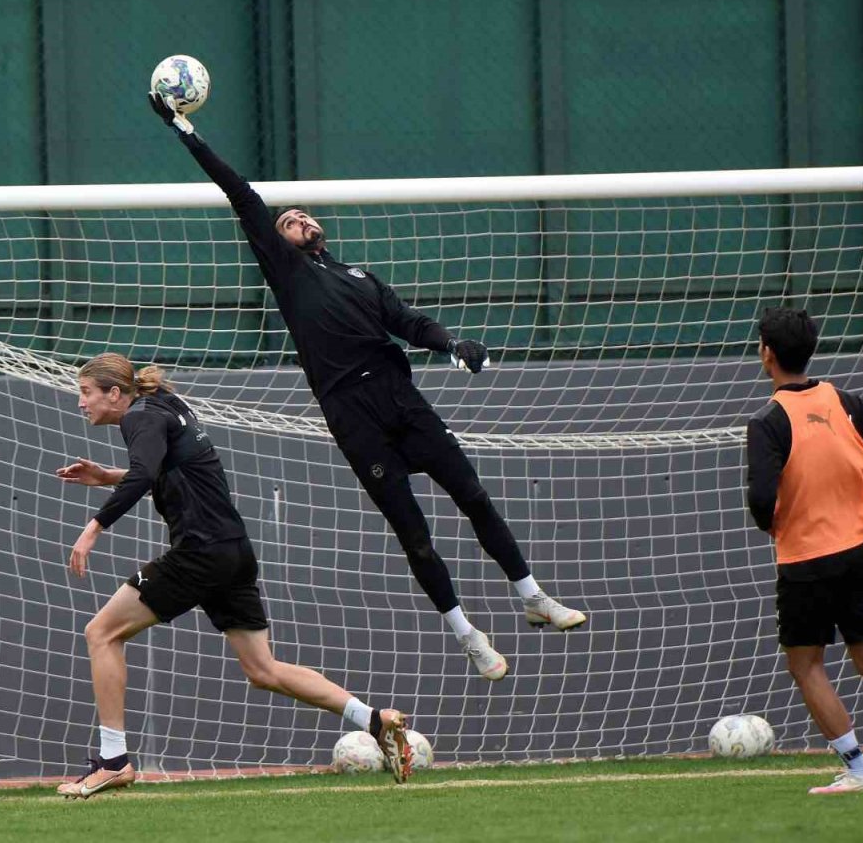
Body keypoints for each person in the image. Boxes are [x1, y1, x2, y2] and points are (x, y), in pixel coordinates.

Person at [147, 94, 585, 681]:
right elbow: (242, 195)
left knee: (474, 496)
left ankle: (532, 596)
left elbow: (407, 323)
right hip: (350, 411)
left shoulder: (360, 277)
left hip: (400, 397)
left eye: (303, 215)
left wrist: (454, 344)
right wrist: (186, 132)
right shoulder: (287, 269)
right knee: (414, 532)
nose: (297, 219)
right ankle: (467, 634)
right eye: (287, 220)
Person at [54, 353, 412, 799]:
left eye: (86, 392)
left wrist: (93, 529)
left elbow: (146, 473)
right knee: (263, 669)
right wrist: (108, 475)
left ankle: (114, 761)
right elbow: (166, 470)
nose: (81, 403)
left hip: (200, 553)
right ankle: (372, 719)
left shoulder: (141, 417)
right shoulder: (163, 403)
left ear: (114, 393)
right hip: (232, 552)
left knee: (101, 633)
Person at [746, 307, 863, 795]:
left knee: (806, 665)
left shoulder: (768, 421)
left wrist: (770, 524)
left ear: (768, 354)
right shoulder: (849, 402)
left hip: (807, 559)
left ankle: (859, 770)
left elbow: (761, 496)